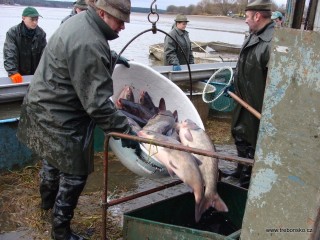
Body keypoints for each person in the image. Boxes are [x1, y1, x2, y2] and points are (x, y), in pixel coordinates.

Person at [16, 0, 139, 239]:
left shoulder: (80, 22)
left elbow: (77, 56)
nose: (123, 27)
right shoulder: (90, 42)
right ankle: (61, 232)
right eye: (119, 20)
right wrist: (128, 133)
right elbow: (98, 105)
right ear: (102, 13)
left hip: (41, 105)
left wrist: (111, 57)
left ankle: (46, 207)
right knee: (74, 174)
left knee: (52, 161)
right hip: (60, 115)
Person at [227, 0, 275, 188]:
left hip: (257, 105)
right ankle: (240, 171)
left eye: (247, 17)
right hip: (242, 99)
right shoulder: (253, 35)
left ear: (257, 16)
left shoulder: (272, 42)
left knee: (252, 143)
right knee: (239, 135)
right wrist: (233, 85)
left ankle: (247, 182)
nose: (245, 21)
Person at [3, 6, 46, 83]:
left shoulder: (41, 34)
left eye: (36, 19)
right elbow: (9, 53)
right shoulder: (13, 33)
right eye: (32, 19)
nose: (35, 22)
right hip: (17, 75)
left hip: (36, 77)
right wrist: (13, 72)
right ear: (23, 18)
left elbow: (45, 55)